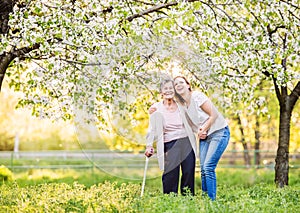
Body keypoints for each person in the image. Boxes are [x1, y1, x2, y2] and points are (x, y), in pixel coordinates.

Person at [173, 76, 230, 201]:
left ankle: (211, 202)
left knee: (208, 167)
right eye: (176, 84)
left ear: (188, 85)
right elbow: (192, 124)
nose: (178, 85)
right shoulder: (182, 106)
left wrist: (204, 128)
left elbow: (213, 114)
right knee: (203, 169)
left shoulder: (197, 96)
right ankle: (206, 201)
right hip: (205, 137)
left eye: (181, 82)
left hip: (219, 132)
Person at [144, 78, 197, 196]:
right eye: (165, 88)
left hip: (186, 141)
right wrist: (149, 145)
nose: (168, 91)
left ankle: (189, 201)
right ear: (161, 92)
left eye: (171, 88)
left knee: (188, 171)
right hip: (169, 143)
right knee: (171, 174)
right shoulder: (156, 108)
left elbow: (193, 114)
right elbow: (151, 129)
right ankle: (170, 200)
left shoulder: (181, 104)